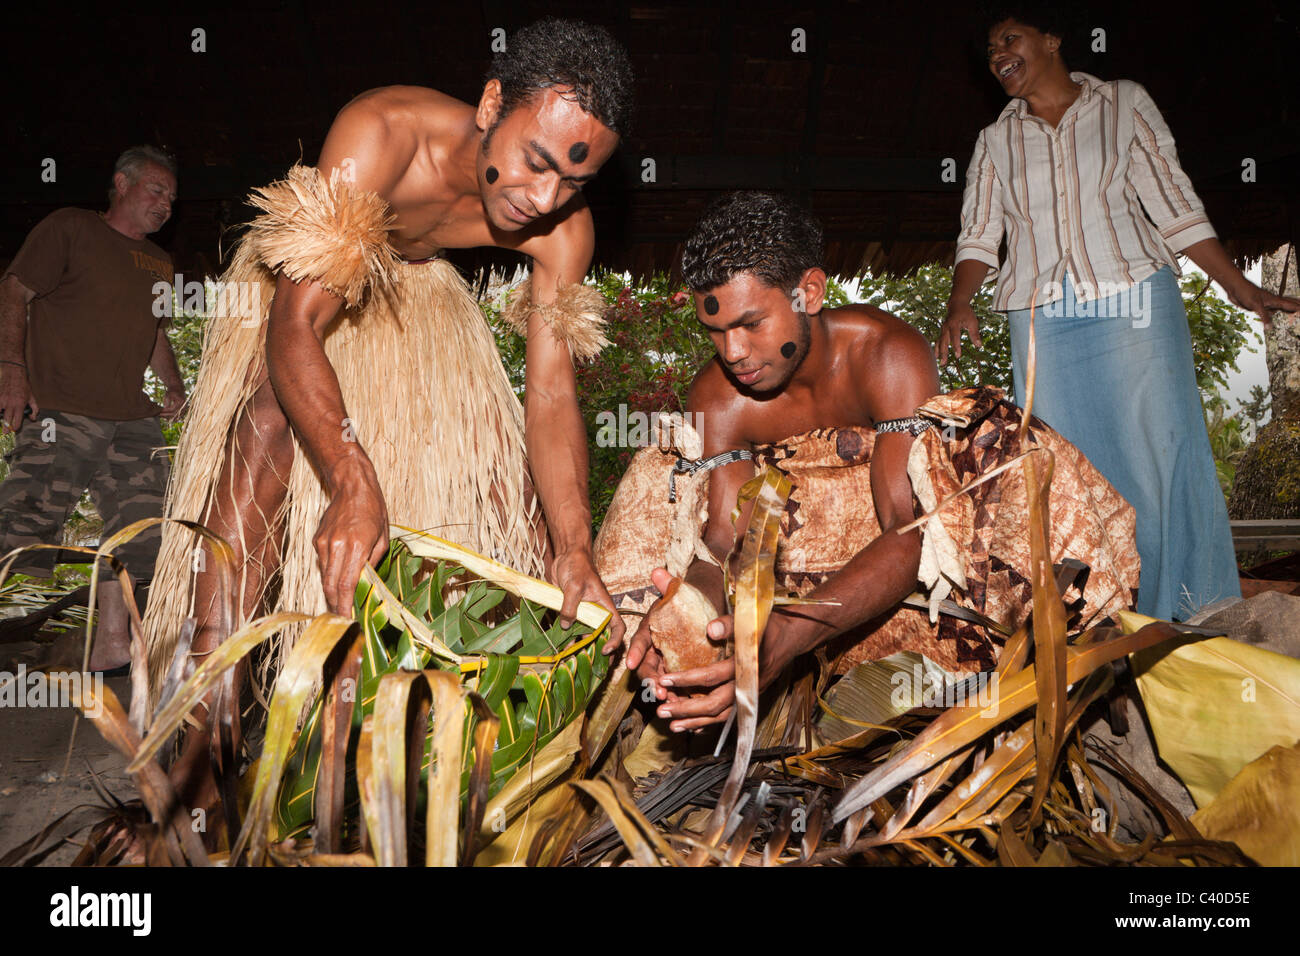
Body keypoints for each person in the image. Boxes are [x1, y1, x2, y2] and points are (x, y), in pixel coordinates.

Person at [141, 18, 632, 816]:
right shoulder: (381, 133)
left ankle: (474, 743)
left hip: (423, 301)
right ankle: (204, 720)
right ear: (491, 103)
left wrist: (577, 549)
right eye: (536, 161)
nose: (543, 197)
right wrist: (350, 473)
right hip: (317, 285)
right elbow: (296, 325)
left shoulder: (563, 233)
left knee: (511, 490)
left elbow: (549, 398)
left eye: (572, 182)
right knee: (268, 416)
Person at [598, 192, 1139, 732]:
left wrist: (793, 631)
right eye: (715, 331)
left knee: (1001, 437)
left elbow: (909, 527)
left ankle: (1070, 662)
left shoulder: (886, 354)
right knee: (657, 467)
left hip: (895, 576)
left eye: (751, 324)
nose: (732, 351)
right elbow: (722, 538)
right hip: (791, 568)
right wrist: (685, 609)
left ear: (808, 292)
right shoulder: (717, 399)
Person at [937, 9, 1300, 620]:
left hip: (1136, 300)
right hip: (1043, 315)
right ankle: (1101, 620)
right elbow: (978, 235)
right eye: (990, 47)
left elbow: (1172, 199)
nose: (997, 52)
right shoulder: (994, 141)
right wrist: (960, 301)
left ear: (1051, 40)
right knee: (1068, 470)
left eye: (1010, 37)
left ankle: (1188, 611)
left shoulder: (1122, 103)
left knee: (1161, 452)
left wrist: (1236, 284)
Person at [0, 146, 185, 671]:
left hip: (133, 420)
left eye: (172, 197)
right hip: (62, 409)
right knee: (21, 529)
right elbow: (13, 292)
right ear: (121, 184)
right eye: (156, 189)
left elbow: (153, 333)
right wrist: (11, 370)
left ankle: (111, 647)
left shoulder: (161, 263)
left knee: (141, 535)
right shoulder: (70, 228)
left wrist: (172, 387)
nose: (166, 204)